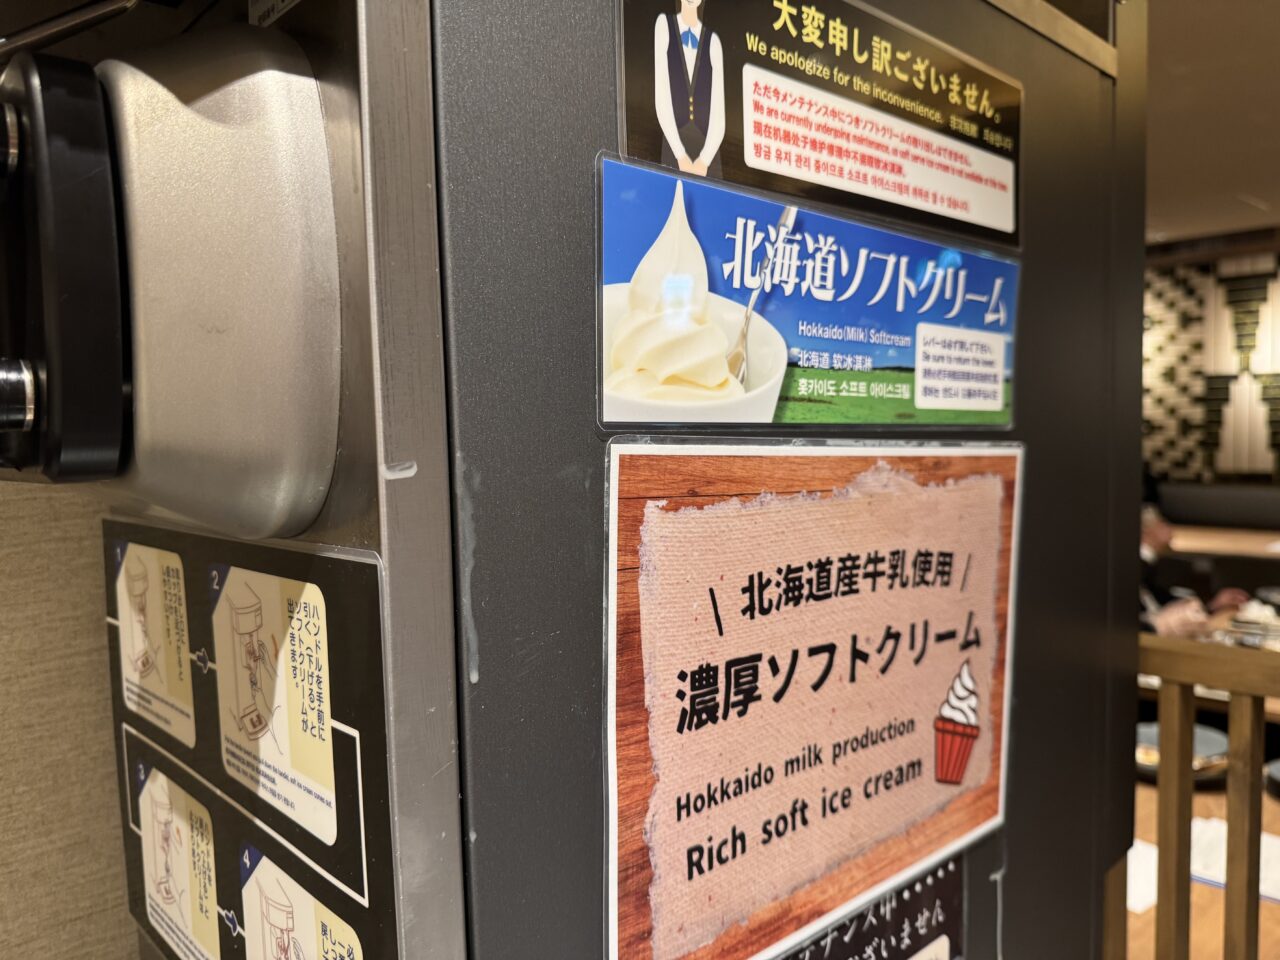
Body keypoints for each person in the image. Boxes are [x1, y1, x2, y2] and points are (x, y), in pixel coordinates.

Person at [1140, 506, 1249, 635]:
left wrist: (1210, 606)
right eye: (1162, 524)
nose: (1170, 531)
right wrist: (1156, 627)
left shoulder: (1146, 571)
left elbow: (1161, 601)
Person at [653, 0, 725, 178]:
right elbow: (662, 97)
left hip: (708, 149)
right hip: (673, 143)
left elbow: (718, 113)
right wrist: (680, 154)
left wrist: (704, 160)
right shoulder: (664, 25)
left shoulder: (714, 41)